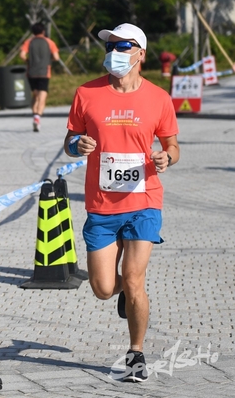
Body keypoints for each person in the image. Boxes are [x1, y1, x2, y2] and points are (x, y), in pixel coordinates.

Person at [63, 23, 180, 383]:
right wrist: (77, 145)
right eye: (110, 45)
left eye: (123, 45)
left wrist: (166, 157)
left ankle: (136, 353)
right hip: (102, 206)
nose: (114, 51)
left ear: (140, 53)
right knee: (102, 288)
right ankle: (124, 294)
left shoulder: (158, 98)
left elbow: (173, 146)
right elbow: (70, 140)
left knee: (133, 278)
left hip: (144, 201)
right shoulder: (87, 93)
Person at [21, 22, 60, 132]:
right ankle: (38, 117)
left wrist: (28, 61)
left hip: (31, 72)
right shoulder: (49, 42)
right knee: (42, 95)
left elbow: (22, 55)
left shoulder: (29, 42)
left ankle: (34, 115)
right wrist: (48, 60)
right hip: (44, 72)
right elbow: (56, 57)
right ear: (43, 31)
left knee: (35, 95)